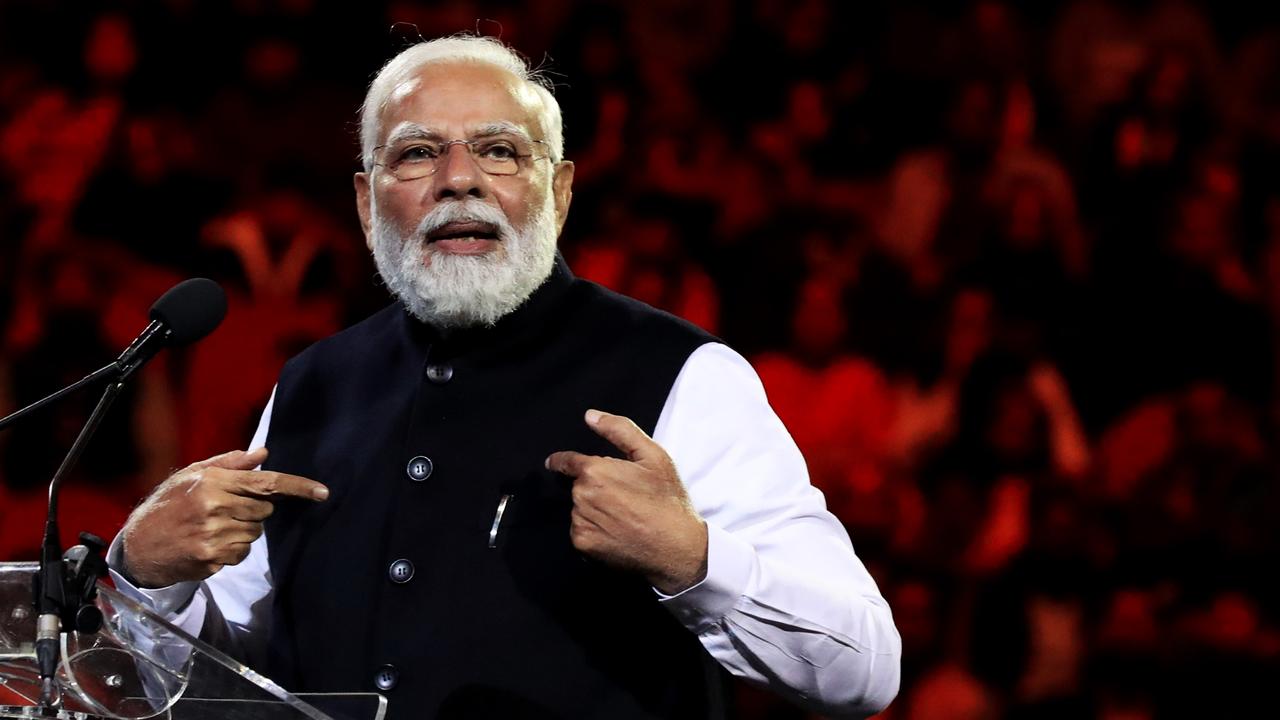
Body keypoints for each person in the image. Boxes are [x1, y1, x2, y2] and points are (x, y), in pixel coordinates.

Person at [109, 35, 901, 719]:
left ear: (558, 195)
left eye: (499, 151)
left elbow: (863, 671)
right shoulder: (314, 384)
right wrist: (150, 581)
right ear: (365, 201)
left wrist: (692, 560)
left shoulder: (684, 375)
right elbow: (235, 673)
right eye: (418, 152)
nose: (460, 179)